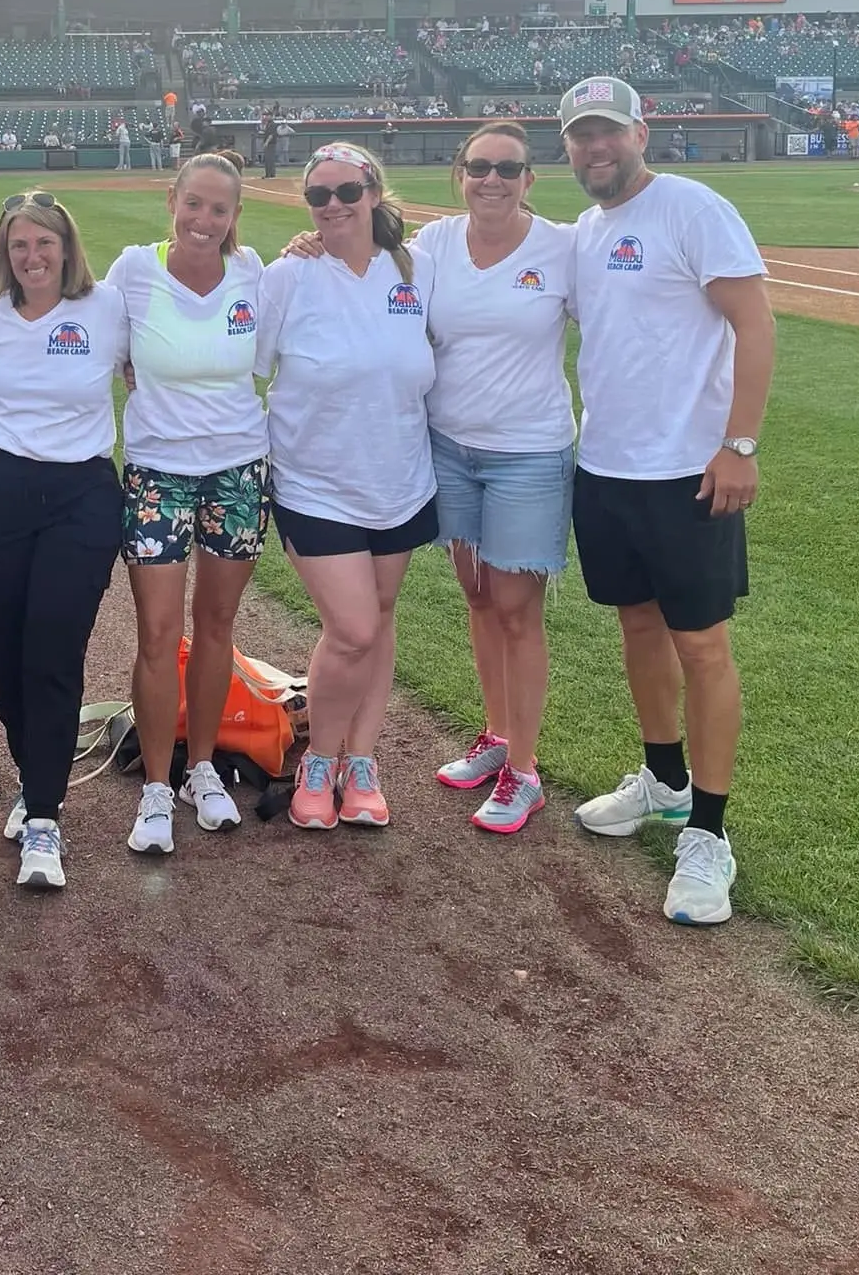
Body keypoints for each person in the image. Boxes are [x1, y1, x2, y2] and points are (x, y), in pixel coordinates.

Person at [559, 77, 774, 926]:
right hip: (606, 467)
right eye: (581, 135)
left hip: (689, 470)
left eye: (609, 131)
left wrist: (739, 444)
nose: (596, 148)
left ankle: (709, 834)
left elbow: (754, 323)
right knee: (638, 625)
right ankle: (664, 780)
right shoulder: (584, 232)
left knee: (704, 646)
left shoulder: (691, 209)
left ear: (641, 134)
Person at [0, 193, 128, 890]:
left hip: (80, 495)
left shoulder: (108, 306)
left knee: (52, 649)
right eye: (19, 244)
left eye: (44, 242)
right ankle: (35, 778)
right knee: (5, 652)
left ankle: (45, 818)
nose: (32, 256)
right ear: (5, 253)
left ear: (66, 246)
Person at [257, 144, 436, 831]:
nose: (332, 205)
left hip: (400, 478)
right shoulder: (289, 275)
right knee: (353, 627)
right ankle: (320, 760)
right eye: (318, 195)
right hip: (314, 482)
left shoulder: (415, 268)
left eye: (346, 192)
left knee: (379, 621)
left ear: (374, 193)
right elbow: (248, 363)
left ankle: (362, 760)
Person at [411, 123, 577, 834]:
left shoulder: (562, 248)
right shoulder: (434, 243)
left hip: (529, 453)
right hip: (450, 447)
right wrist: (308, 244)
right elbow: (373, 284)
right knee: (478, 596)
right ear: (460, 174)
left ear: (529, 180)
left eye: (508, 169)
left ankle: (525, 772)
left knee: (516, 609)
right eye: (479, 166)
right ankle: (499, 736)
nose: (492, 180)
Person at [105, 153, 268, 855]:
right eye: (193, 204)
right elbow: (107, 347)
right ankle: (156, 786)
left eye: (219, 209)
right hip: (158, 472)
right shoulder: (134, 270)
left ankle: (202, 768)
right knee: (158, 630)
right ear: (171, 200)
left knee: (217, 623)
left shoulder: (254, 273)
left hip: (237, 468)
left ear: (235, 215)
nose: (204, 220)